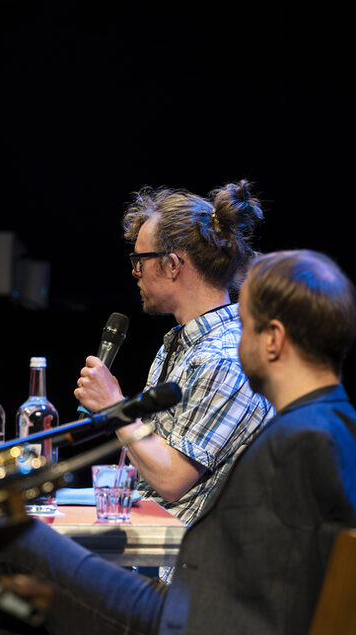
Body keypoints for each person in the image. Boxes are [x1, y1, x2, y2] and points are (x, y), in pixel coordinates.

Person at [0, 249, 356, 635]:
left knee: (14, 538)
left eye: (245, 324)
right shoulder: (350, 435)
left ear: (274, 339)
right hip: (198, 618)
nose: (236, 339)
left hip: (196, 632)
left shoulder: (306, 441)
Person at [75, 181, 273, 529]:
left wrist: (114, 406)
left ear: (171, 265)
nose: (135, 273)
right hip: (144, 534)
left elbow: (171, 480)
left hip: (175, 564)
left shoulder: (226, 359)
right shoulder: (182, 344)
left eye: (140, 260)